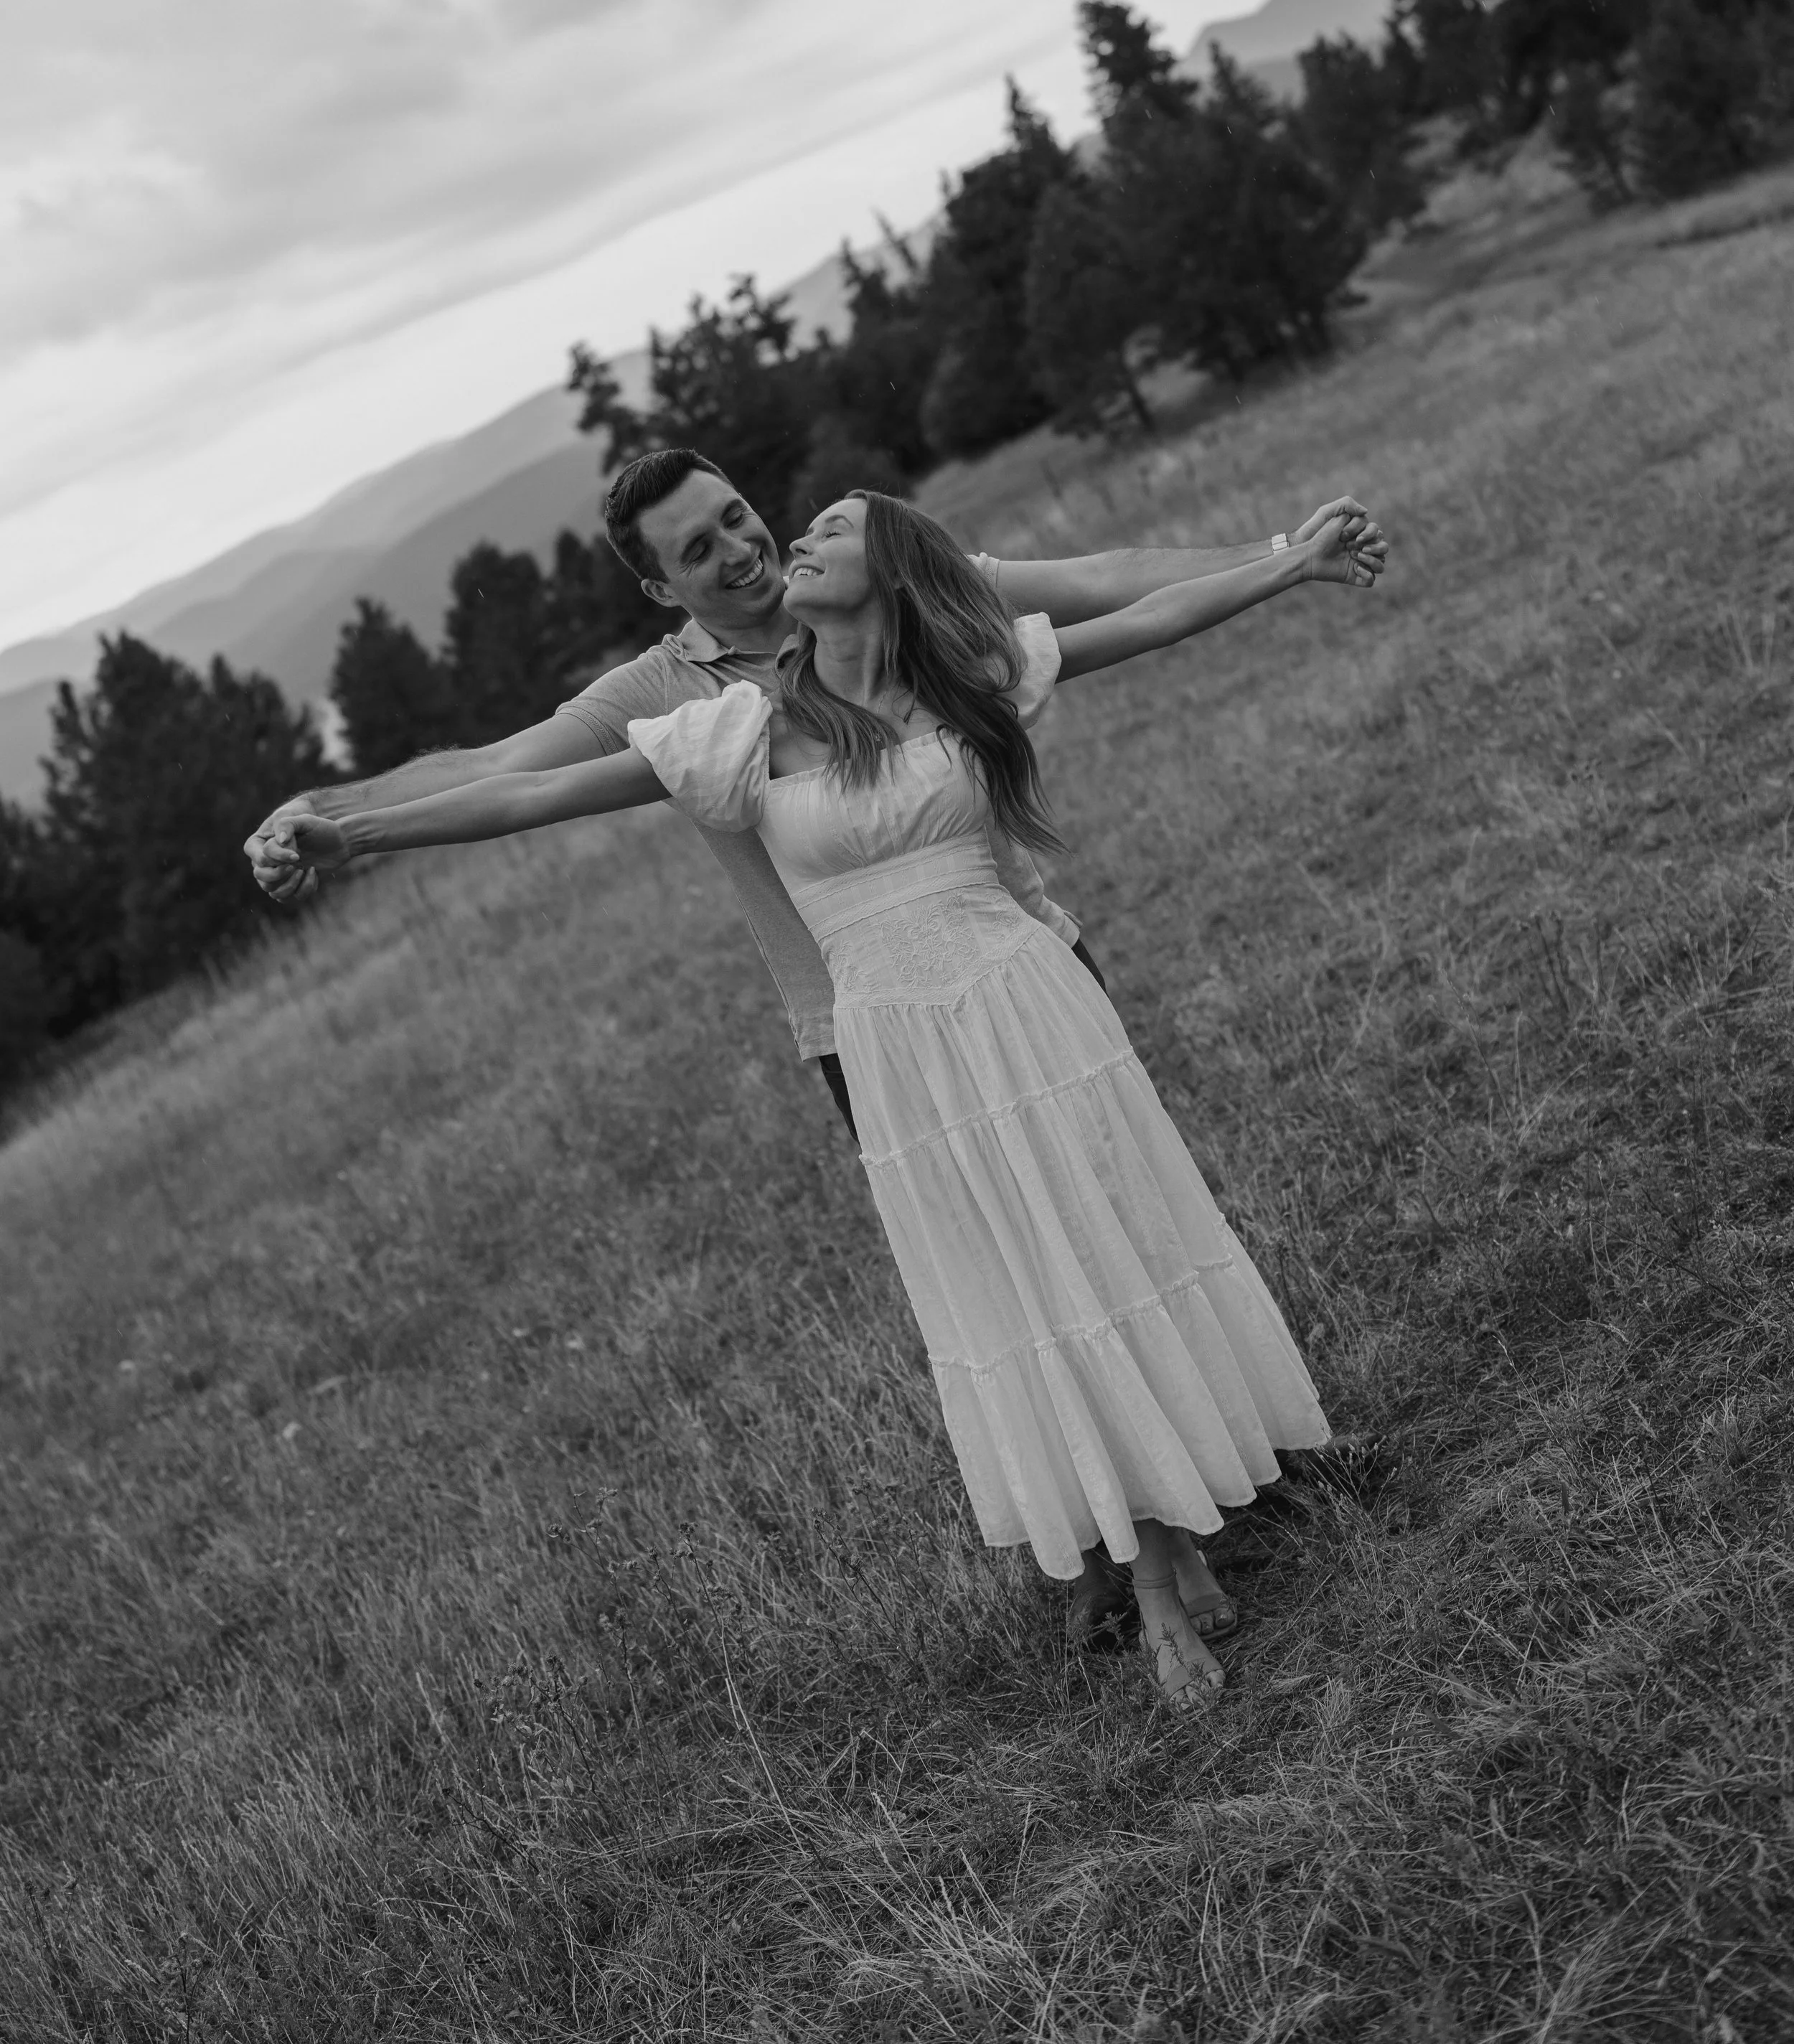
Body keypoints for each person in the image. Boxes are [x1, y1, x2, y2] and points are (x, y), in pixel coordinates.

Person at [258, 491, 1376, 1712]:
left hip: (1028, 999)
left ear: (885, 570)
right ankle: (1141, 1570)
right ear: (663, 587)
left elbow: (1140, 604)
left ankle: (1220, 1480)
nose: (759, 549)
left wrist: (1287, 560)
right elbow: (519, 787)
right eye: (710, 548)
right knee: (1018, 1282)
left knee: (1113, 1235)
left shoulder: (957, 666)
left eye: (772, 526)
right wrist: (352, 830)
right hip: (890, 1044)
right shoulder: (714, 721)